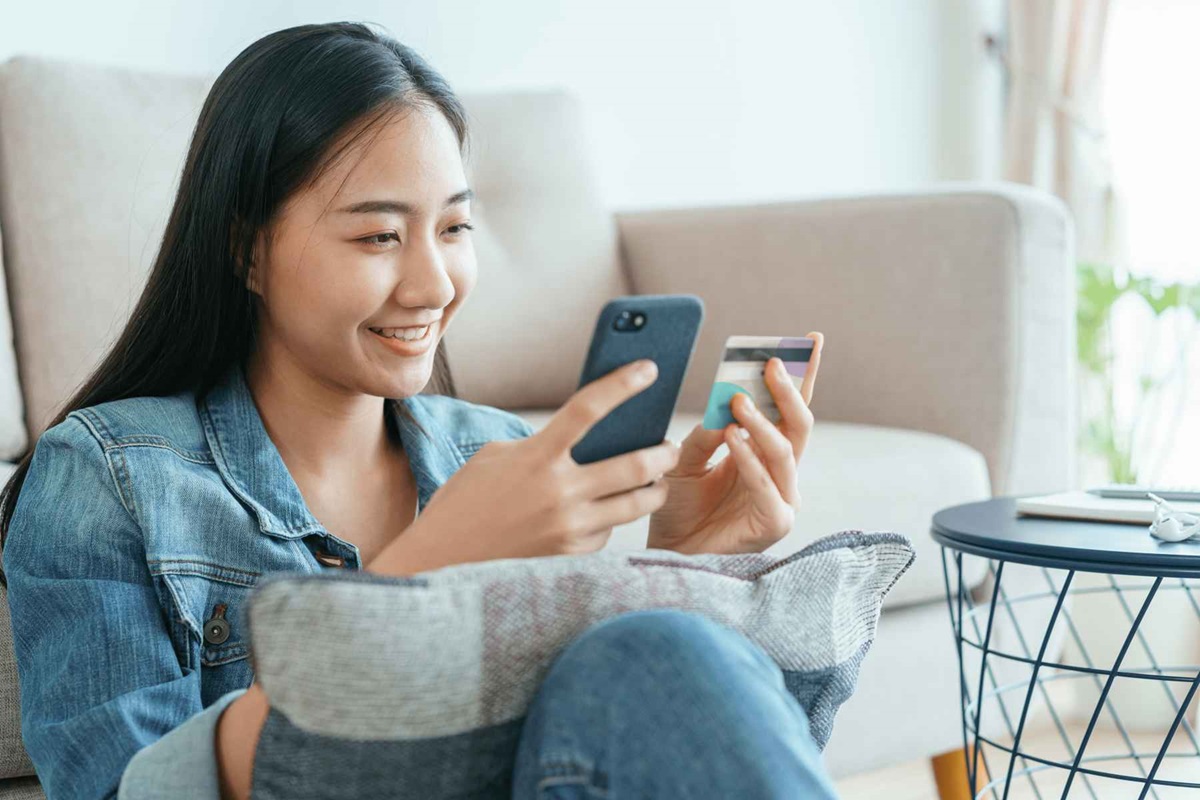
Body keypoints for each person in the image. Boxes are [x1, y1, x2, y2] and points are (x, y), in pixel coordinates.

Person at [0, 21, 834, 800]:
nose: (435, 286)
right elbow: (128, 789)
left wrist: (682, 570)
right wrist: (422, 574)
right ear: (246, 249)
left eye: (455, 228)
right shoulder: (110, 479)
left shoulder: (505, 452)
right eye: (379, 237)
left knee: (661, 649)